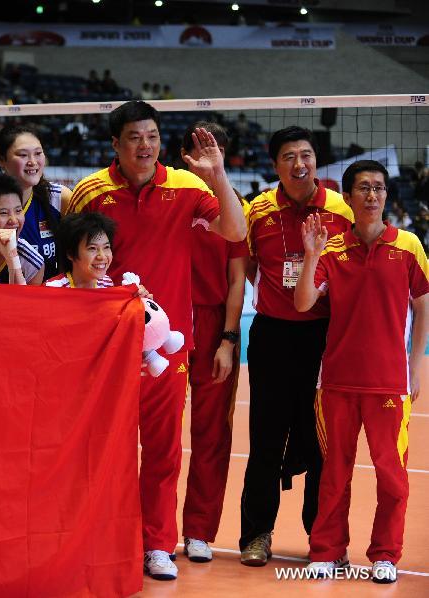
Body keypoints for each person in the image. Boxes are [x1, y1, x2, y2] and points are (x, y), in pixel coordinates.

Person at [67, 100, 246, 581]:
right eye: (133, 137)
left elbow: (235, 229)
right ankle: (105, 536)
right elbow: (73, 259)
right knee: (105, 449)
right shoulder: (90, 191)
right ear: (115, 144)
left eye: (151, 136)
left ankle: (158, 544)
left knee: (164, 449)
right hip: (107, 347)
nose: (144, 145)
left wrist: (218, 175)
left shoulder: (188, 187)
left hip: (165, 347)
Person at [295, 160, 427, 584]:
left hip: (389, 383)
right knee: (334, 472)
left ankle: (385, 554)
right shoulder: (331, 249)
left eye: (379, 188)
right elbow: (302, 303)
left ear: (387, 196)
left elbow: (423, 305)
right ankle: (327, 550)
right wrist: (312, 252)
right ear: (348, 198)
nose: (372, 195)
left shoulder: (408, 246)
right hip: (335, 382)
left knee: (393, 476)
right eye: (363, 188)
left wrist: (415, 367)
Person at [240, 126, 353, 567]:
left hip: (324, 339)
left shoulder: (340, 209)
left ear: (315, 161)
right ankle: (256, 536)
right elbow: (248, 268)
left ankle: (320, 540)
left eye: (306, 155)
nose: (299, 163)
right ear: (275, 165)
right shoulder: (259, 210)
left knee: (322, 443)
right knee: (266, 440)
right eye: (289, 156)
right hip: (271, 336)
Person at [178, 121, 248, 563]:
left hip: (212, 324)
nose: (210, 156)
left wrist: (227, 337)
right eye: (201, 149)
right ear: (184, 154)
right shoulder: (172, 196)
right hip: (161, 322)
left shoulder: (233, 206)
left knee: (210, 436)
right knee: (155, 434)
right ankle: (152, 529)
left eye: (218, 149)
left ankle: (199, 531)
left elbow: (238, 277)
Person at [0, 123, 72, 279]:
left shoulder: (59, 198)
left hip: (48, 295)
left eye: (38, 153)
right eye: (23, 155)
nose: (33, 161)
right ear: (1, 160)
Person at [46, 212, 115, 289]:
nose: (102, 256)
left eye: (106, 247)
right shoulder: (52, 288)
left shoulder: (107, 283)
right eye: (92, 248)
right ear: (70, 254)